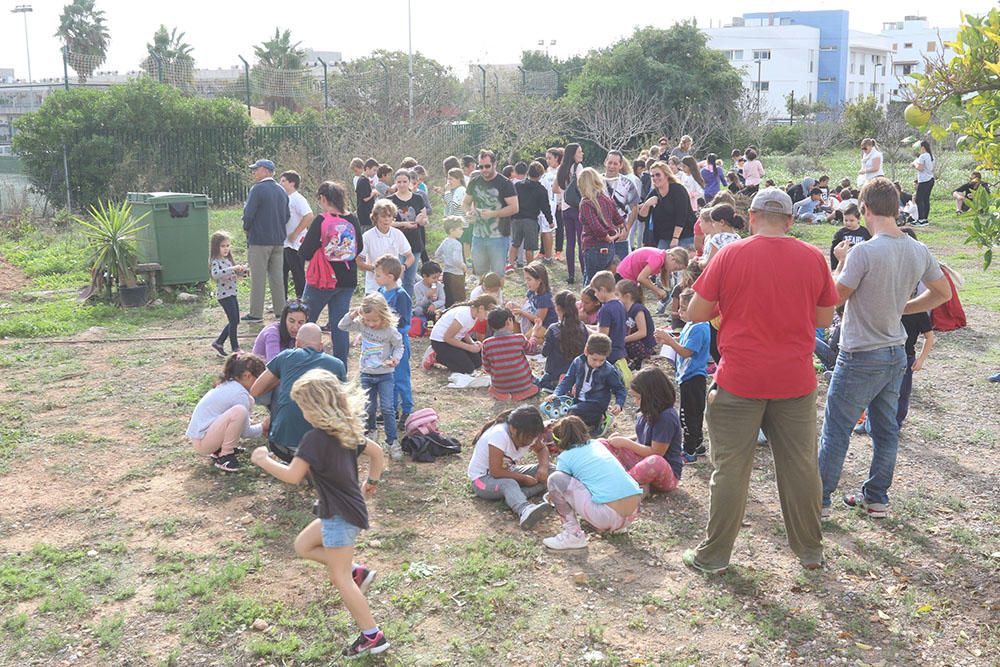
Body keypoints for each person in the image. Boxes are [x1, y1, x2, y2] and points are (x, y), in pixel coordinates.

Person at [681, 187, 839, 574]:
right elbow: (823, 320)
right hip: (795, 380)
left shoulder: (731, 254)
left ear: (750, 217)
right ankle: (810, 552)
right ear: (790, 220)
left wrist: (728, 302)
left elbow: (694, 312)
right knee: (801, 467)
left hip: (740, 379)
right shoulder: (812, 257)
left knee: (731, 469)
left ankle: (714, 555)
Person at [818, 177, 952, 520]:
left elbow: (835, 298)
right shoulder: (917, 249)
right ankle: (876, 497)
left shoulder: (863, 251)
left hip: (861, 353)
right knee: (885, 428)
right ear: (896, 208)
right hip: (896, 352)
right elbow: (942, 293)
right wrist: (903, 307)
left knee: (836, 428)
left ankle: (818, 500)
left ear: (865, 210)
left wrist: (840, 262)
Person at [249, 369, 388, 659]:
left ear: (314, 407)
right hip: (341, 510)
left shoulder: (314, 439)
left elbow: (292, 476)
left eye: (302, 407)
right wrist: (372, 482)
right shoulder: (346, 430)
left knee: (340, 580)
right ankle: (356, 571)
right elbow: (376, 453)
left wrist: (264, 460)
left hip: (340, 515)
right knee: (303, 546)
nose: (302, 414)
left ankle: (372, 636)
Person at [250, 323, 347, 462]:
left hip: (283, 447)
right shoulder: (337, 365)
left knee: (279, 387)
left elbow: (255, 390)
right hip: (324, 449)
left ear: (297, 343)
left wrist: (283, 377)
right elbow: (344, 405)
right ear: (321, 346)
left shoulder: (286, 357)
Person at [543, 415, 643, 550]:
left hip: (607, 517)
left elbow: (562, 486)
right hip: (633, 512)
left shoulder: (565, 457)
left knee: (555, 479)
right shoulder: (598, 444)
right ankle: (617, 527)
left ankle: (573, 535)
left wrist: (552, 496)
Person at [297, 181, 362, 368]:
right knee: (340, 325)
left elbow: (305, 251)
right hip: (347, 281)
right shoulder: (353, 219)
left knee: (306, 320)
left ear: (324, 199)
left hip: (322, 279)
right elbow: (360, 248)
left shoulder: (321, 220)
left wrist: (321, 248)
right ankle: (340, 367)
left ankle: (302, 361)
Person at [338, 294, 404, 457]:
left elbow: (399, 346)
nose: (371, 324)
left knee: (388, 408)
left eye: (375, 320)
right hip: (366, 373)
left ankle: (392, 441)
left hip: (385, 375)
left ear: (384, 315)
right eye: (368, 320)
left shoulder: (390, 331)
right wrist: (354, 314)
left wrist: (395, 359)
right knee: (369, 406)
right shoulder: (362, 325)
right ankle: (371, 431)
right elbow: (342, 326)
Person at [467, 406, 553, 528]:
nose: (530, 441)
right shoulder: (499, 435)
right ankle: (524, 510)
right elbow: (495, 471)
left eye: (533, 437)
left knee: (552, 470)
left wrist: (543, 468)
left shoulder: (530, 434)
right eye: (527, 437)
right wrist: (523, 478)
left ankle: (515, 495)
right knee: (509, 484)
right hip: (482, 480)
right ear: (513, 429)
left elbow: (541, 449)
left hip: (508, 472)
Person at [603, 366, 684, 493]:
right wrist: (622, 440)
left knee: (656, 461)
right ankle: (637, 483)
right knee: (603, 443)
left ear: (652, 396)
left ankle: (623, 482)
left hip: (664, 472)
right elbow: (642, 436)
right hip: (642, 460)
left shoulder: (666, 417)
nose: (635, 402)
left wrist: (625, 443)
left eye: (638, 398)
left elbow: (656, 452)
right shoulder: (648, 411)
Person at [186, 352, 268, 472]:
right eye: (260, 379)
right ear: (247, 376)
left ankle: (220, 449)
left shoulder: (230, 385)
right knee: (239, 411)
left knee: (242, 409)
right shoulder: (240, 394)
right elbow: (245, 432)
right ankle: (226, 456)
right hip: (203, 442)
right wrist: (263, 427)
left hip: (203, 437)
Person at [655, 289, 710, 461]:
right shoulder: (692, 324)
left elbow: (686, 352)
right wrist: (669, 339)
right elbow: (684, 344)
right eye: (680, 308)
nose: (680, 312)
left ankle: (689, 451)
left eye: (684, 309)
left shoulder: (699, 328)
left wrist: (670, 341)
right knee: (695, 413)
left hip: (693, 378)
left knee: (687, 415)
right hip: (689, 376)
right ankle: (698, 444)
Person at [549, 334, 626, 435]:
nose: (598, 363)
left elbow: (619, 388)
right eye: (594, 359)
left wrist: (619, 403)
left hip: (596, 403)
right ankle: (599, 420)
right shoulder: (578, 362)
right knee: (558, 409)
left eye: (602, 360)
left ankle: (599, 422)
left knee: (573, 415)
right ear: (586, 351)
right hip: (578, 400)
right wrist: (556, 393)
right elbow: (568, 380)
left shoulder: (609, 370)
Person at [242, 159, 289, 322]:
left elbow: (248, 214)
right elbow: (287, 216)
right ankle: (280, 311)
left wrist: (247, 228)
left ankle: (256, 313)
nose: (254, 172)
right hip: (278, 240)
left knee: (258, 278)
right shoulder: (282, 191)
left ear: (266, 171)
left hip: (259, 240)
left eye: (257, 169)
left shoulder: (257, 189)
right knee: (277, 277)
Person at [463, 149, 519, 276]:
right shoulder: (474, 181)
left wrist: (493, 213)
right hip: (478, 235)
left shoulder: (505, 183)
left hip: (499, 236)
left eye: (487, 166)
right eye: (481, 167)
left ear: (494, 164)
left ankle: (496, 297)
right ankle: (483, 296)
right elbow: (465, 203)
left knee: (497, 275)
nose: (484, 170)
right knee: (480, 275)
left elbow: (514, 208)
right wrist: (468, 213)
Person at [375, 255, 414, 429]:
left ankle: (407, 410)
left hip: (398, 343)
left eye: (378, 275)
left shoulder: (401, 295)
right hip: (384, 343)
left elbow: (405, 322)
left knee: (401, 377)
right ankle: (391, 410)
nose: (376, 278)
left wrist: (392, 334)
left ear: (390, 277)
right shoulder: (381, 292)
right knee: (388, 377)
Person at [577, 168, 624, 286]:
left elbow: (595, 226)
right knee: (605, 282)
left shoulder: (586, 203)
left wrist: (605, 236)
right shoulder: (607, 200)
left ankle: (588, 303)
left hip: (593, 246)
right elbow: (619, 220)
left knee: (592, 282)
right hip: (609, 247)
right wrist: (617, 233)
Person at [428, 295, 497, 374]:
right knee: (467, 369)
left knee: (477, 362)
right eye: (486, 313)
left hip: (454, 338)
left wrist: (473, 343)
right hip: (440, 341)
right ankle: (437, 357)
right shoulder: (464, 314)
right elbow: (447, 338)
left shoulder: (474, 315)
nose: (486, 318)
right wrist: (469, 347)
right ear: (481, 308)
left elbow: (463, 331)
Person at [481, 308, 540, 401]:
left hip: (500, 385)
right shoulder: (519, 338)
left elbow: (487, 367)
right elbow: (531, 349)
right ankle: (522, 393)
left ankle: (501, 393)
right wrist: (534, 332)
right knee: (536, 385)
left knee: (494, 388)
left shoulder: (486, 343)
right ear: (509, 321)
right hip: (523, 383)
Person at [359, 199, 414, 295]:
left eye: (389, 216)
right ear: (376, 217)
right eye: (383, 216)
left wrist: (403, 267)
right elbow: (359, 261)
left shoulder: (397, 234)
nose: (387, 219)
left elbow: (410, 256)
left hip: (394, 286)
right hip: (373, 288)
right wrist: (374, 269)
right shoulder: (367, 236)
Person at [388, 170, 428, 297]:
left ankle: (407, 305)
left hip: (415, 242)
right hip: (396, 243)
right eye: (399, 182)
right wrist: (403, 224)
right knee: (395, 276)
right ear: (395, 183)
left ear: (409, 182)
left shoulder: (418, 198)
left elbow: (424, 218)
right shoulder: (390, 200)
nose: (402, 184)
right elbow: (387, 222)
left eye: (405, 181)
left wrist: (421, 220)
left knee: (409, 280)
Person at [539, 290, 589, 391]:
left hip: (554, 371)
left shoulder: (553, 329)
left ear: (557, 308)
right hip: (575, 371)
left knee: (541, 382)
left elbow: (545, 353)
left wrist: (538, 340)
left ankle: (558, 383)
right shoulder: (582, 327)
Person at [638, 161, 694, 250]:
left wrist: (675, 238)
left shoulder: (678, 190)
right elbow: (641, 218)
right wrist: (647, 204)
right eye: (652, 176)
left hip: (684, 235)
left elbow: (682, 215)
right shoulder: (654, 193)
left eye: (658, 175)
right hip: (664, 237)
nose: (655, 178)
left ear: (666, 175)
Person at [209, 231, 248, 357]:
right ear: (216, 247)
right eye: (222, 246)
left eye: (227, 246)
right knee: (234, 320)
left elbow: (236, 276)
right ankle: (235, 347)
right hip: (224, 295)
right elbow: (216, 274)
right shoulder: (216, 261)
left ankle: (219, 342)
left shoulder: (228, 261)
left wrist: (242, 271)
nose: (226, 249)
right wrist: (232, 269)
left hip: (232, 293)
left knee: (235, 320)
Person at [510, 161, 553, 267]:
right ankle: (530, 267)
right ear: (540, 175)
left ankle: (510, 264)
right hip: (531, 220)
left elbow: (512, 200)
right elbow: (545, 207)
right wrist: (550, 221)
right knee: (529, 248)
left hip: (516, 218)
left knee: (515, 244)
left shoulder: (518, 185)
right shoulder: (541, 190)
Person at [279, 170, 313, 299]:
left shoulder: (298, 198)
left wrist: (295, 233)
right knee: (282, 272)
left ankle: (302, 298)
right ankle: (282, 299)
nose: (280, 183)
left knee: (297, 272)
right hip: (285, 242)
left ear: (292, 183)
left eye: (283, 181)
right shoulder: (285, 198)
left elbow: (309, 215)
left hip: (296, 242)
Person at [554, 143, 585, 283]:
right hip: (577, 207)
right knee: (582, 241)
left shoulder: (561, 169)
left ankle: (571, 274)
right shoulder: (578, 167)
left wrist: (563, 193)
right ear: (573, 154)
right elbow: (582, 186)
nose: (582, 154)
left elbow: (555, 188)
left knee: (570, 243)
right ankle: (584, 272)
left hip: (565, 209)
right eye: (579, 152)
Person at [615, 246, 689, 303]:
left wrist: (655, 290)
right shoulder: (658, 258)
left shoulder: (661, 258)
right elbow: (641, 278)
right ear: (672, 258)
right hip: (624, 276)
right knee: (633, 305)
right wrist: (657, 290)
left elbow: (644, 277)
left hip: (630, 278)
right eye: (676, 268)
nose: (673, 271)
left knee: (638, 303)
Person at [603, 150, 640, 262]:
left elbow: (634, 207)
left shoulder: (627, 183)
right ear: (605, 162)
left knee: (621, 266)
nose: (612, 166)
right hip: (601, 228)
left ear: (621, 165)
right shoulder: (596, 181)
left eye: (615, 163)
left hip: (620, 228)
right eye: (610, 162)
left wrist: (627, 228)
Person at [508, 261, 556, 341]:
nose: (526, 282)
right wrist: (512, 305)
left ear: (539, 280)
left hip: (544, 328)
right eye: (526, 279)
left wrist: (522, 312)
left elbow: (539, 320)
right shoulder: (531, 292)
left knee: (523, 341)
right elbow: (525, 308)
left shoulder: (544, 298)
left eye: (529, 279)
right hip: (531, 324)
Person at [591, 271, 628, 368]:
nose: (595, 295)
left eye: (595, 291)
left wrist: (585, 329)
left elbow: (602, 337)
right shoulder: (619, 305)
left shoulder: (605, 310)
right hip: (621, 352)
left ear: (602, 290)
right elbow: (608, 327)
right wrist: (589, 326)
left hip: (609, 356)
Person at [617, 279, 655, 370]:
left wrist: (623, 340)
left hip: (644, 345)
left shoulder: (637, 309)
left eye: (617, 295)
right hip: (634, 343)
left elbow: (642, 332)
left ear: (627, 296)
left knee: (623, 345)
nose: (615, 298)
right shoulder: (624, 310)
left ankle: (635, 363)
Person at [435, 217, 466, 308]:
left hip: (447, 273)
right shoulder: (457, 244)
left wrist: (446, 261)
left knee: (449, 296)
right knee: (459, 297)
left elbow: (437, 254)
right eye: (460, 229)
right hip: (457, 274)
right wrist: (463, 266)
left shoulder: (445, 241)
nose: (462, 231)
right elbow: (457, 260)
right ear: (452, 230)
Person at [829, 205, 870, 270]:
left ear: (858, 219)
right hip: (845, 266)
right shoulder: (840, 234)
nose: (848, 223)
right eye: (845, 220)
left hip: (861, 265)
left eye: (851, 220)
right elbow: (833, 251)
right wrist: (834, 268)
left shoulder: (866, 233)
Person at [442, 168, 470, 261]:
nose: (449, 182)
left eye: (451, 179)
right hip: (456, 226)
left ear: (459, 179)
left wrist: (447, 192)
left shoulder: (460, 190)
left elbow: (452, 207)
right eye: (448, 179)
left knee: (461, 252)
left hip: (461, 226)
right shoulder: (455, 190)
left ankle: (465, 270)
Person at [541, 147, 563, 263]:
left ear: (557, 158)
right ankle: (543, 251)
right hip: (547, 204)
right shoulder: (546, 171)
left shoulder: (561, 170)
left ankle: (558, 251)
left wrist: (560, 201)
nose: (548, 161)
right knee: (545, 227)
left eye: (550, 158)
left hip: (558, 204)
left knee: (558, 227)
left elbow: (563, 188)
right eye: (547, 158)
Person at [413, 261, 446, 325]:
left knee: (443, 309)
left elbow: (442, 300)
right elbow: (419, 304)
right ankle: (423, 322)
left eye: (438, 277)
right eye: (433, 278)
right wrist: (427, 296)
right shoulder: (417, 287)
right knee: (418, 310)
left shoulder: (439, 285)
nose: (436, 280)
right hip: (424, 308)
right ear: (424, 276)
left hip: (436, 308)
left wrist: (434, 305)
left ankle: (435, 321)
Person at [352, 158, 378, 232]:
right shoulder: (363, 181)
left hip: (367, 213)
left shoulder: (364, 180)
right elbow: (365, 198)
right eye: (374, 170)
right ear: (367, 168)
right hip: (365, 214)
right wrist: (373, 194)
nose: (375, 173)